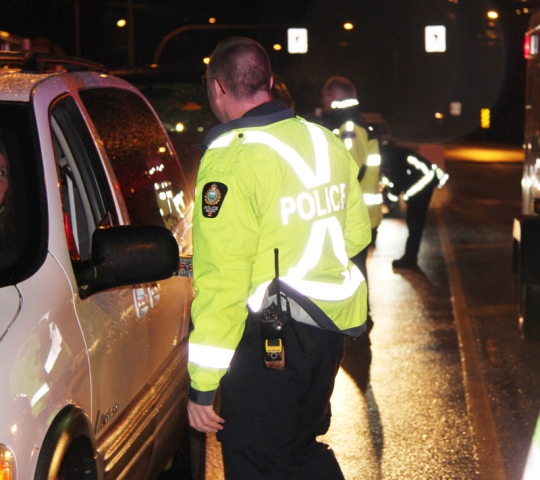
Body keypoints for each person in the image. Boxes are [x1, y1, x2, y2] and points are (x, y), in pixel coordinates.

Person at [186, 37, 371, 479]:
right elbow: (357, 234)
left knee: (258, 462)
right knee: (300, 452)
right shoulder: (323, 140)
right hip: (327, 336)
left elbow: (222, 281)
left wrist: (202, 385)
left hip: (269, 346)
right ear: (269, 83)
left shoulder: (231, 161)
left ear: (217, 89)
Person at [319, 77, 383, 327]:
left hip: (355, 215)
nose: (322, 102)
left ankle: (358, 319)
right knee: (355, 269)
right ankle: (358, 317)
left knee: (354, 270)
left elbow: (348, 172)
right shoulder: (353, 122)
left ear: (335, 97)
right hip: (362, 213)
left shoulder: (349, 126)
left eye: (325, 96)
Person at [380, 143, 448, 269]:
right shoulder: (392, 154)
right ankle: (410, 257)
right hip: (422, 180)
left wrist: (397, 197)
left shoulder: (395, 157)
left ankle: (410, 259)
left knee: (415, 223)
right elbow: (396, 180)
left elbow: (398, 180)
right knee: (414, 222)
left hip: (425, 181)